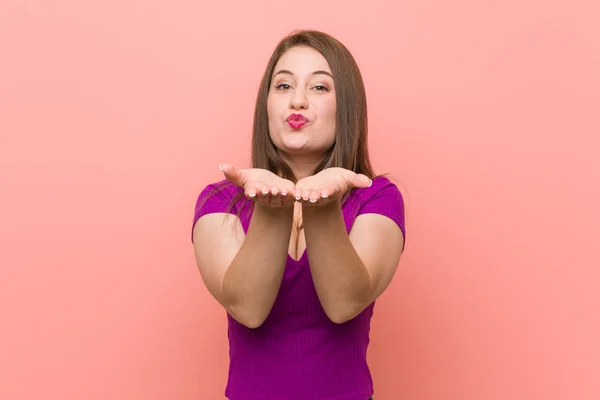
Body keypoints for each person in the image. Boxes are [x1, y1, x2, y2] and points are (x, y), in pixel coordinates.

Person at [191, 30, 406, 400]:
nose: (298, 102)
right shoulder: (218, 201)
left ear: (347, 106)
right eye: (284, 85)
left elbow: (344, 305)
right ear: (267, 104)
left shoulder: (378, 198)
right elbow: (249, 309)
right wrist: (272, 210)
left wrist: (321, 207)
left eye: (320, 88)